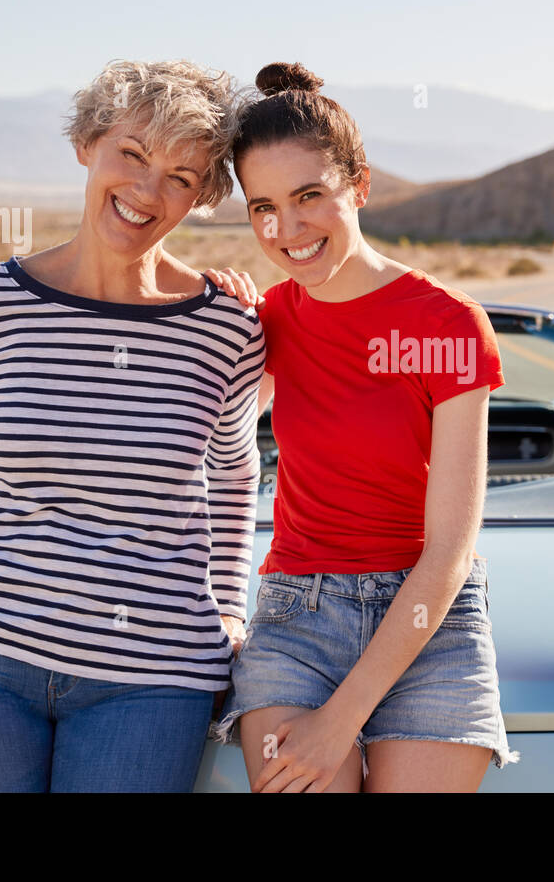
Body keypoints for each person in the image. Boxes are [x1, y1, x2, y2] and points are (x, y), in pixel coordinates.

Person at [0, 59, 265, 791]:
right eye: (131, 154)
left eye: (182, 177)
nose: (148, 192)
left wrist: (228, 612)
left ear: (203, 195)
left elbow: (234, 473)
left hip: (152, 677)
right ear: (86, 143)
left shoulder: (225, 325)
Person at [206, 61, 519, 792]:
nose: (286, 229)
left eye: (309, 196)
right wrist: (209, 315)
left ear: (361, 185)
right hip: (296, 618)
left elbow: (449, 551)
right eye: (263, 207)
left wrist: (341, 721)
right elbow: (203, 442)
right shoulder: (270, 320)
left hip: (428, 623)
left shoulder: (448, 325)